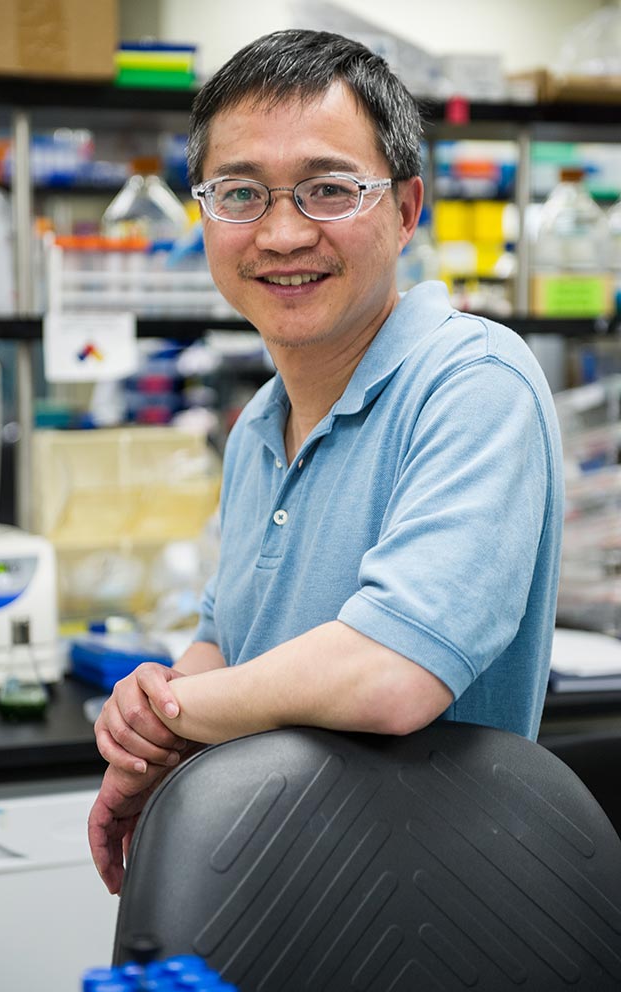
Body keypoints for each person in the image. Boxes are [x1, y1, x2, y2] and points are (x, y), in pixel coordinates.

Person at [88, 28, 565, 894]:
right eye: (240, 193)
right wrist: (150, 711)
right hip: (268, 890)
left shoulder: (474, 382)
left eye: (328, 189)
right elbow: (227, 639)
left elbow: (392, 672)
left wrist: (178, 710)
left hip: (436, 918)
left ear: (406, 209)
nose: (281, 233)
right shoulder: (255, 427)